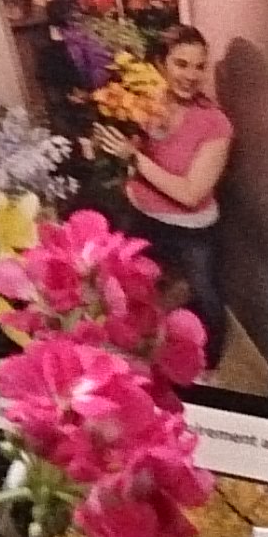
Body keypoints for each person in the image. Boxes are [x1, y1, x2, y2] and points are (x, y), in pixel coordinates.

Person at [97, 27, 233, 371]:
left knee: (206, 297)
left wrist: (134, 158)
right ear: (162, 63)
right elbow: (128, 145)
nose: (191, 75)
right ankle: (138, 348)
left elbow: (191, 194)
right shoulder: (146, 101)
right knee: (135, 287)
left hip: (191, 228)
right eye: (181, 64)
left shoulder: (216, 124)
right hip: (140, 214)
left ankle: (209, 365)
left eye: (199, 66)